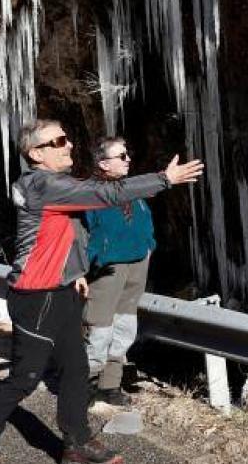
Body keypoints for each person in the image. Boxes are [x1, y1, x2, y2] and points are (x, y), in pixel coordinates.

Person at [0, 119, 204, 464]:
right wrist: (164, 179)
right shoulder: (42, 185)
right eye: (59, 141)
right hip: (36, 296)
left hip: (60, 290)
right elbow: (108, 193)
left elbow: (68, 230)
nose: (69, 145)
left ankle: (77, 444)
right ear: (36, 153)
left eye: (67, 139)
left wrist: (74, 271)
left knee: (75, 371)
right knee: (24, 378)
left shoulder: (57, 184)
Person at [83, 136, 155, 406]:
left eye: (127, 155)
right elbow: (81, 232)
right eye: (122, 156)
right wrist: (93, 259)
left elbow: (144, 217)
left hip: (137, 263)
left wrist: (149, 244)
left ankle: (110, 384)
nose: (128, 160)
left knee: (125, 326)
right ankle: (84, 384)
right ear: (103, 163)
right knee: (99, 327)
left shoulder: (129, 189)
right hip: (108, 266)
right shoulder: (90, 193)